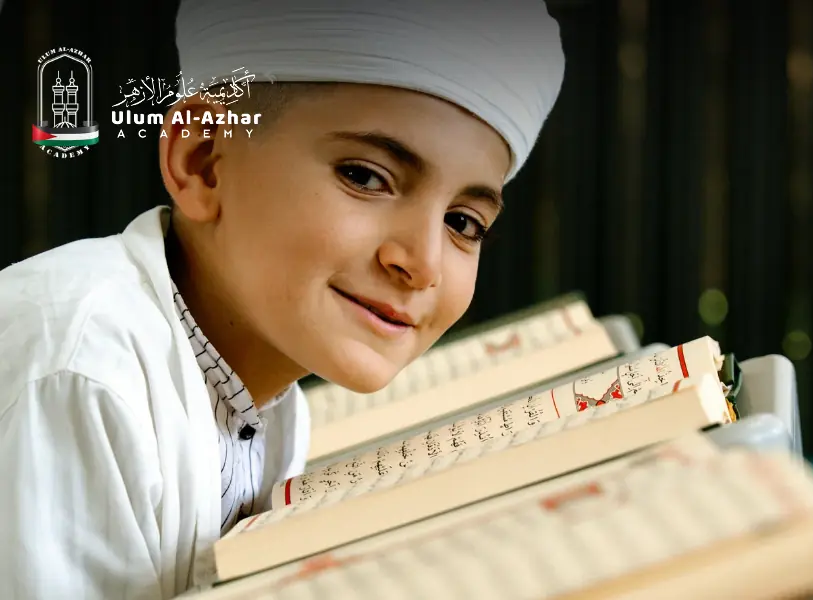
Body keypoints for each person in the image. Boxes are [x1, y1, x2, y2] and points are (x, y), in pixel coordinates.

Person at [0, 0, 564, 597]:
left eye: (463, 223)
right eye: (365, 176)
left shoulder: (267, 400)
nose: (422, 264)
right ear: (202, 162)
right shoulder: (79, 370)